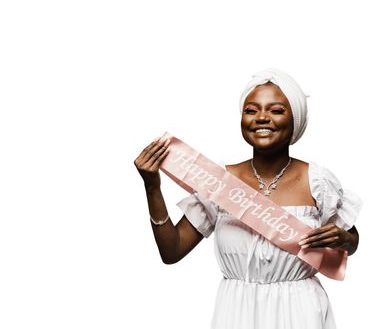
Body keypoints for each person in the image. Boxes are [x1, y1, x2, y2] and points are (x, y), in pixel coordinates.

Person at [134, 68, 362, 329]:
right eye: (251, 111)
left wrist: (344, 239)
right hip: (236, 313)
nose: (262, 118)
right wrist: (152, 187)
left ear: (295, 119)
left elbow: (350, 242)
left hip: (302, 312)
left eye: (276, 111)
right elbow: (172, 251)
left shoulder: (318, 181)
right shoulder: (219, 182)